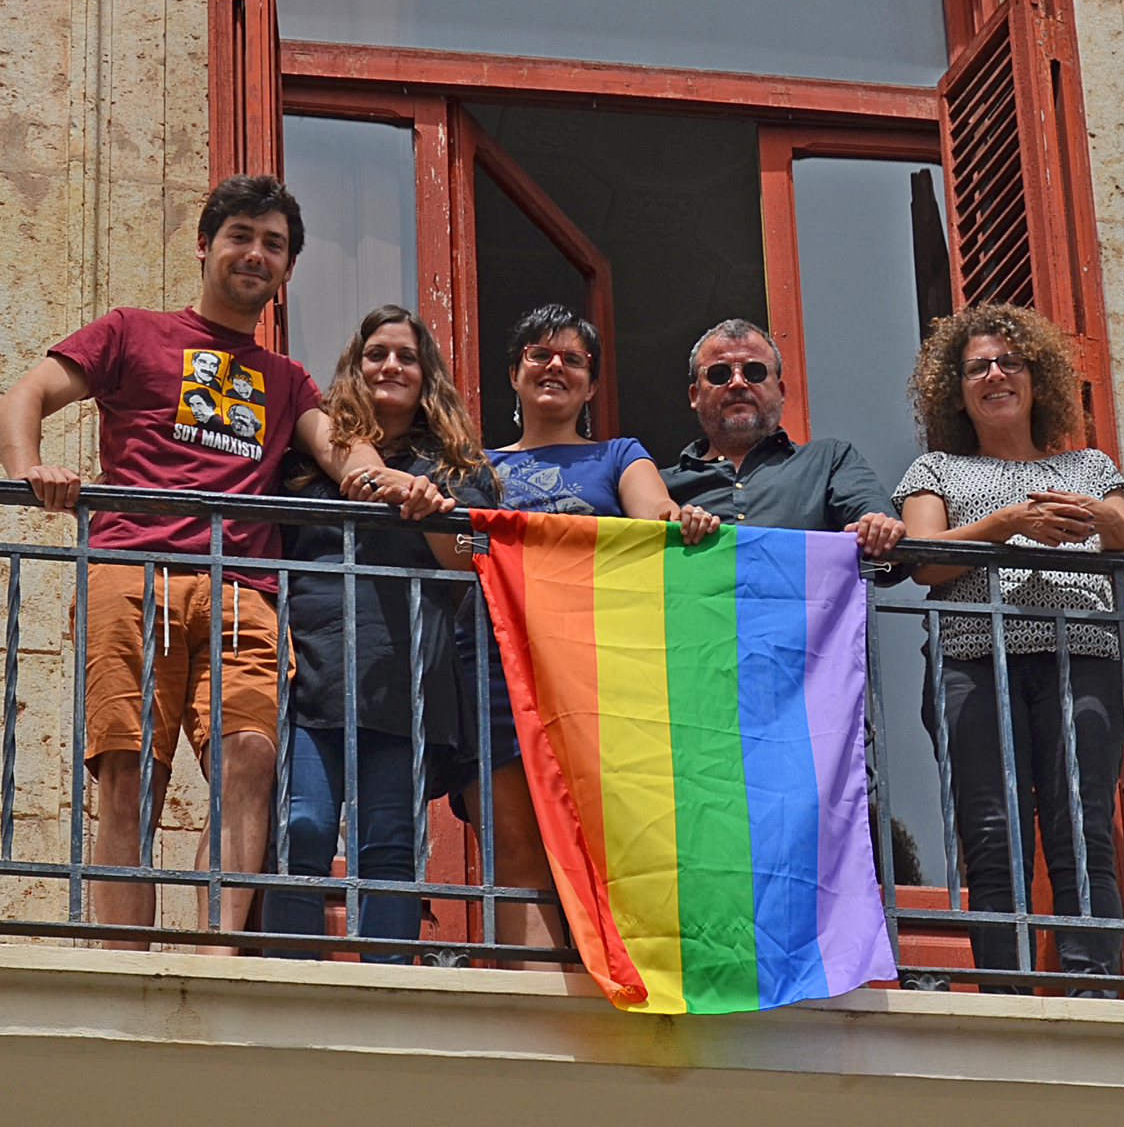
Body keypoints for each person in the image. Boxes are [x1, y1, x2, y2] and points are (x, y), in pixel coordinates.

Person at [0, 174, 392, 950]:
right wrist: (28, 470)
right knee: (129, 773)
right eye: (241, 235)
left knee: (248, 762)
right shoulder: (131, 331)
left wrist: (388, 477)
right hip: (131, 572)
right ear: (205, 245)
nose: (256, 253)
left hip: (242, 588)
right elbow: (26, 395)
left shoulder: (285, 379)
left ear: (287, 269)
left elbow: (343, 450)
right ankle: (124, 960)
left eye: (274, 244)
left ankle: (218, 955)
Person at [448, 304, 718, 954]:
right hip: (496, 663)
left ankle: (611, 997)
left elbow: (653, 512)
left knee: (603, 838)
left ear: (592, 384)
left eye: (572, 357)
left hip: (597, 670)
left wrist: (684, 521)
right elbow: (455, 548)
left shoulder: (619, 454)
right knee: (515, 842)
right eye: (539, 355)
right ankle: (538, 1009)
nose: (555, 366)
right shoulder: (478, 467)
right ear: (514, 374)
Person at [893, 304, 1124, 992]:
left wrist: (1096, 513)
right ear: (957, 387)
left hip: (1081, 657)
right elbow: (923, 560)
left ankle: (1092, 982)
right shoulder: (934, 470)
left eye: (1010, 362)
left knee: (1081, 820)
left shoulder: (1089, 465)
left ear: (1038, 378)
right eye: (979, 366)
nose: (996, 374)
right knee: (991, 829)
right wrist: (1010, 522)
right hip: (975, 665)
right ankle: (1005, 985)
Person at [262, 305, 483, 963]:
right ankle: (289, 982)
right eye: (376, 353)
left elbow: (469, 559)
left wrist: (419, 502)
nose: (391, 365)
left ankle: (391, 978)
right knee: (300, 830)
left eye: (406, 356)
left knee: (388, 842)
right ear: (355, 369)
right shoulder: (308, 454)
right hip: (311, 664)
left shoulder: (451, 466)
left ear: (427, 376)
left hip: (405, 673)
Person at [658, 318, 906, 559]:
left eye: (754, 371)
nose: (737, 383)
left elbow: (890, 553)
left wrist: (879, 530)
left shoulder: (829, 462)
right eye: (719, 373)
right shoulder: (660, 488)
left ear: (781, 391)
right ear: (695, 395)